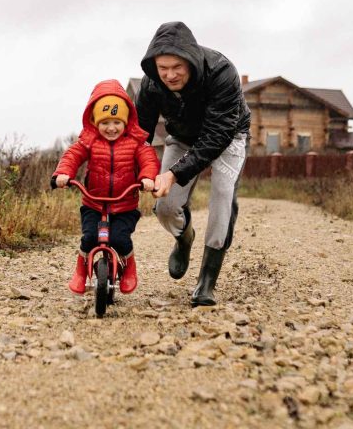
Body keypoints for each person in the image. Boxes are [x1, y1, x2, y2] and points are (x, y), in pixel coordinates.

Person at [135, 21, 251, 306]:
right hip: (182, 136)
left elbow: (217, 136)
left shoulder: (222, 72)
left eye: (177, 67)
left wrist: (174, 174)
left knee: (222, 198)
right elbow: (139, 134)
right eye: (163, 68)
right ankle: (184, 238)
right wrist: (131, 169)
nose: (170, 75)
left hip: (228, 136)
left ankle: (206, 281)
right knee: (165, 206)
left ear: (190, 60)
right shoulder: (151, 84)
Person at [53, 79, 161, 295]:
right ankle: (81, 270)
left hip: (124, 205)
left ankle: (129, 268)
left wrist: (148, 177)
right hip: (93, 203)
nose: (111, 128)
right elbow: (72, 155)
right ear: (95, 121)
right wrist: (63, 173)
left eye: (117, 122)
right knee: (89, 238)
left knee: (120, 238)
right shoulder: (89, 141)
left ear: (126, 121)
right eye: (105, 123)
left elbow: (149, 159)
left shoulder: (136, 142)